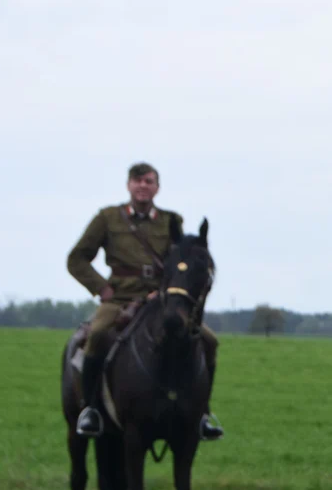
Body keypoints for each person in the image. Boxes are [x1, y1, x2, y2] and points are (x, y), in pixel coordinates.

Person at [67, 162, 224, 440]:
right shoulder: (107, 218)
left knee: (209, 340)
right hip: (120, 297)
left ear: (157, 188)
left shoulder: (170, 221)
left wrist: (169, 290)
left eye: (149, 181)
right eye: (138, 181)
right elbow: (76, 258)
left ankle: (201, 413)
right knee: (98, 333)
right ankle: (90, 409)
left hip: (161, 299)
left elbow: (179, 260)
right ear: (129, 186)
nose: (143, 186)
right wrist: (101, 289)